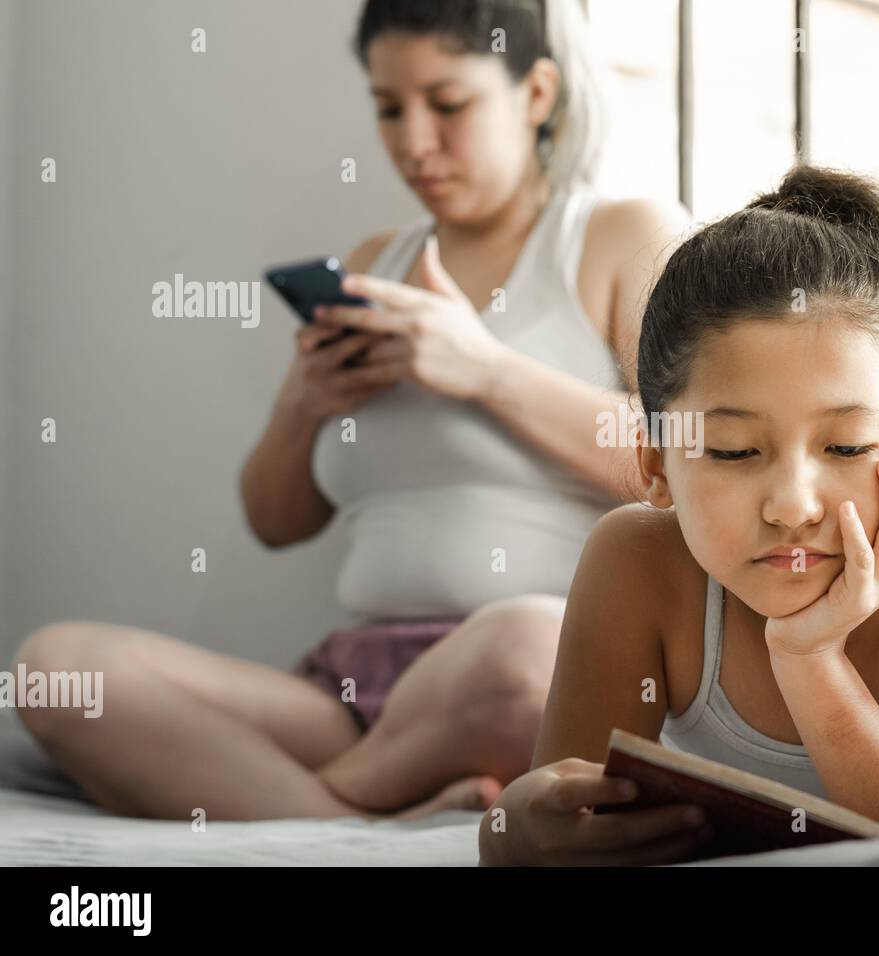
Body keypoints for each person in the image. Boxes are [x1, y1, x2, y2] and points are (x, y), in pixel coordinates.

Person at [13, 0, 690, 821]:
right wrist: (302, 405)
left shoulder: (621, 236)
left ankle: (286, 803)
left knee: (524, 646)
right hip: (355, 689)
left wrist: (484, 369)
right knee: (57, 670)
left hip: (527, 672)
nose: (413, 141)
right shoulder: (378, 263)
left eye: (447, 104)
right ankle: (362, 815)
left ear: (537, 93)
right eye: (388, 108)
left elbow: (689, 457)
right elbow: (275, 521)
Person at [477, 165, 879, 865]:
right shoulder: (635, 561)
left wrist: (809, 658)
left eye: (846, 444)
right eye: (734, 451)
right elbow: (553, 811)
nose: (793, 506)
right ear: (655, 466)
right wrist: (509, 831)